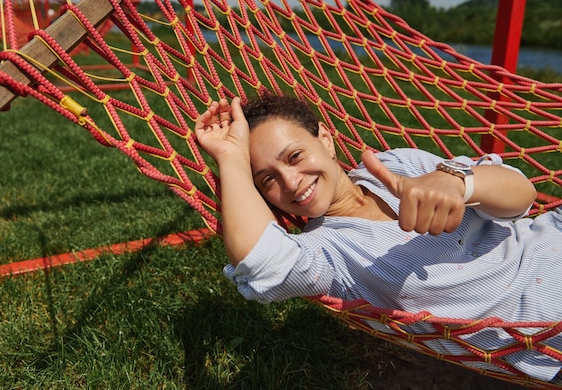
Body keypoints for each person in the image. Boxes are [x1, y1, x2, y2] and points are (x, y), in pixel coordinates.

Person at [194, 93, 562, 382]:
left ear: (325, 138)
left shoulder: (396, 165)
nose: (291, 182)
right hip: (546, 329)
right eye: (267, 180)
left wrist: (457, 182)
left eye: (294, 156)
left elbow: (522, 196)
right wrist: (231, 158)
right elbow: (258, 259)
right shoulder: (326, 254)